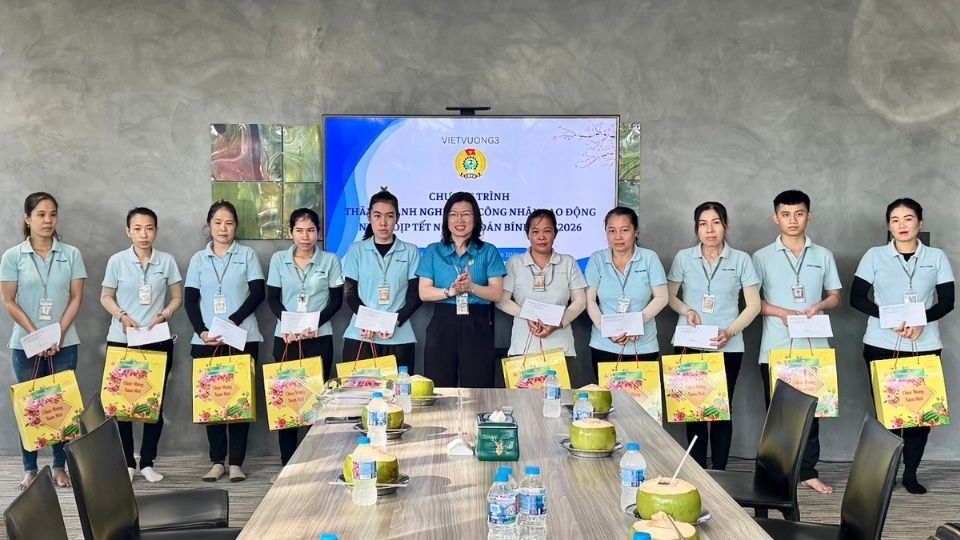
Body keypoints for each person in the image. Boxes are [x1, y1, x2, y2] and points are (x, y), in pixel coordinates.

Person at [851, 198, 954, 495]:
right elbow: (857, 297)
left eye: (908, 219)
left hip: (924, 345)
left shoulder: (936, 257)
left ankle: (911, 473)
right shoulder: (874, 255)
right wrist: (888, 317)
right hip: (881, 344)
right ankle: (885, 474)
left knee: (920, 414)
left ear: (920, 223)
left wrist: (922, 320)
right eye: (895, 220)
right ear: (888, 225)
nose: (902, 225)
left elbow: (947, 300)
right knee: (889, 415)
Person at [752, 190, 841, 494]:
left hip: (815, 348)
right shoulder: (761, 257)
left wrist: (820, 305)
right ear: (776, 217)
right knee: (777, 417)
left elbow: (836, 296)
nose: (793, 220)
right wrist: (782, 312)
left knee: (813, 416)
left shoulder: (823, 255)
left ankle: (808, 472)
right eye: (786, 214)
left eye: (799, 213)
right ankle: (777, 476)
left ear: (809, 216)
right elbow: (753, 303)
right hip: (776, 348)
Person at [1, 192, 86, 490]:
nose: (47, 220)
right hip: (25, 344)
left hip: (64, 343)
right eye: (40, 214)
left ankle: (60, 466)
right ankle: (30, 468)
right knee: (30, 406)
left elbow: (76, 298)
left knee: (60, 405)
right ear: (27, 219)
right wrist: (38, 335)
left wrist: (58, 334)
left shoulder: (71, 254)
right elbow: (9, 301)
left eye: (52, 214)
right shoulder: (12, 256)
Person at [666, 201, 760, 470]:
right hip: (689, 343)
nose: (710, 230)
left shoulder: (741, 259)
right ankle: (696, 470)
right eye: (703, 224)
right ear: (696, 228)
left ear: (725, 226)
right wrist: (687, 310)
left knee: (721, 411)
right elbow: (669, 296)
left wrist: (730, 331)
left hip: (727, 345)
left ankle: (720, 472)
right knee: (693, 410)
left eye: (716, 223)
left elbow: (753, 305)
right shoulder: (684, 258)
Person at [100, 207, 183, 483]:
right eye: (137, 228)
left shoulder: (167, 261)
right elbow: (106, 296)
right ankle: (127, 463)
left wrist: (164, 315)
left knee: (153, 404)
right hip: (123, 339)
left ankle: (147, 462)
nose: (143, 234)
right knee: (122, 405)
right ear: (128, 232)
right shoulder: (117, 261)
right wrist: (122, 316)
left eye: (149, 228)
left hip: (156, 340)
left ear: (156, 231)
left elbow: (176, 298)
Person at [184, 200, 265, 482]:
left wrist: (233, 320)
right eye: (217, 223)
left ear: (236, 226)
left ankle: (236, 463)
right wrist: (203, 330)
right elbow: (190, 300)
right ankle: (217, 461)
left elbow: (257, 293)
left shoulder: (247, 255)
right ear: (209, 226)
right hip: (207, 340)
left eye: (229, 223)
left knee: (240, 400)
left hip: (242, 337)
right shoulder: (198, 259)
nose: (223, 228)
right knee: (212, 401)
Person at [266, 207, 343, 470]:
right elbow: (272, 298)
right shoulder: (279, 260)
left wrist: (313, 324)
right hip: (285, 338)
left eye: (311, 230)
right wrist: (287, 324)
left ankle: (313, 463)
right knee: (286, 400)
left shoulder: (330, 261)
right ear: (291, 232)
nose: (305, 236)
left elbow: (336, 301)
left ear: (318, 233)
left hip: (318, 338)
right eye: (299, 230)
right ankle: (286, 463)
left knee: (315, 400)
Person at [416, 192, 505, 387]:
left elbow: (497, 293)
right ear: (446, 218)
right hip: (442, 322)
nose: (460, 220)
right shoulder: (433, 250)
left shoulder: (488, 251)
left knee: (478, 387)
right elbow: (424, 292)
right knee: (439, 387)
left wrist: (471, 287)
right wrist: (450, 292)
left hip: (477, 323)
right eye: (454, 214)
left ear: (476, 218)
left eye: (466, 214)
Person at [497, 209, 586, 383]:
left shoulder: (568, 262)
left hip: (560, 347)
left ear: (555, 233)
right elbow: (502, 300)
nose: (541, 237)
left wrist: (559, 322)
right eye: (535, 232)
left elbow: (580, 301)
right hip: (523, 347)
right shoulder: (515, 263)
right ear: (528, 235)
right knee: (524, 405)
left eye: (547, 231)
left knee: (559, 404)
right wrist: (527, 315)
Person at [342, 189, 421, 372]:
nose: (383, 222)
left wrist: (396, 321)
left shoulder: (410, 251)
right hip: (362, 334)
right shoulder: (356, 250)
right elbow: (350, 292)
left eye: (389, 216)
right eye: (377, 216)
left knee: (398, 395)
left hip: (399, 336)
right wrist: (366, 321)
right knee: (359, 396)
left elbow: (415, 294)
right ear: (369, 217)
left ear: (397, 218)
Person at [585, 207, 667, 376]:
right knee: (608, 401)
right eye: (612, 231)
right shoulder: (597, 259)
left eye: (624, 230)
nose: (618, 237)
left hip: (643, 347)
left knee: (642, 402)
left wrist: (636, 324)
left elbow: (661, 297)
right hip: (604, 346)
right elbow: (590, 300)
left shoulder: (649, 258)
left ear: (636, 231)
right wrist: (605, 329)